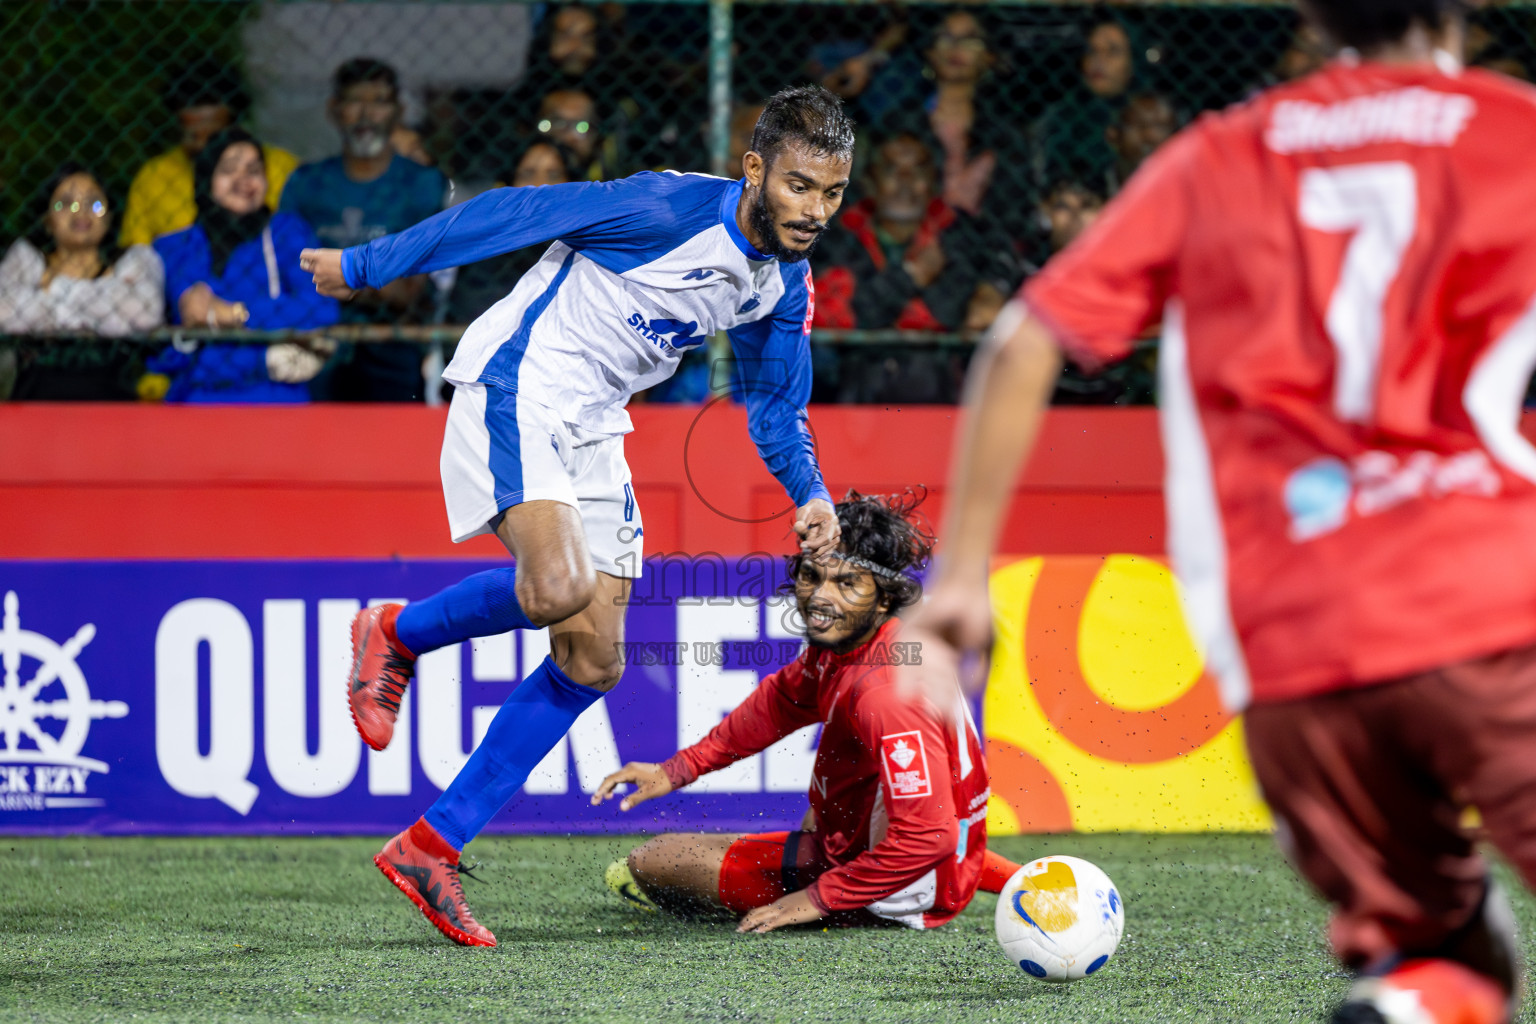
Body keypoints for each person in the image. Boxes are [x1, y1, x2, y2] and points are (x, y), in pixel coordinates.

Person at [906, 0, 1536, 1019]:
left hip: (1298, 648)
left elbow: (1025, 340)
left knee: (1442, 949)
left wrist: (963, 576)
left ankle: (1415, 1001)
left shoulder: (1223, 153)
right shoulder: (1514, 129)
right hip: (1495, 605)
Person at [301, 86, 853, 947]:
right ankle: (397, 632)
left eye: (831, 192)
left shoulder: (782, 282)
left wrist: (810, 493)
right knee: (558, 588)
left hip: (595, 424)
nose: (815, 210)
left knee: (593, 659)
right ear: (754, 170)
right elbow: (508, 213)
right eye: (799, 186)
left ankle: (430, 846)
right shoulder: (664, 207)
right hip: (521, 384)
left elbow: (776, 407)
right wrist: (368, 265)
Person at [592, 491, 1022, 931]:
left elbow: (928, 836)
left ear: (884, 599)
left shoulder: (885, 692)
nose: (820, 597)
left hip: (900, 888)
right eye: (811, 576)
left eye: (846, 583)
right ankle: (1017, 879)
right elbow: (779, 704)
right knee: (828, 806)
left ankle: (854, 892)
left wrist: (817, 898)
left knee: (653, 862)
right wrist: (677, 769)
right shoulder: (861, 644)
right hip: (928, 854)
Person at [280, 59, 448, 402]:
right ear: (334, 110)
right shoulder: (307, 183)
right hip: (315, 335)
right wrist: (374, 279)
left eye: (379, 101)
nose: (366, 114)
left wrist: (335, 277)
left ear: (398, 111)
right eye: (355, 101)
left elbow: (407, 290)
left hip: (393, 339)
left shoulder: (422, 183)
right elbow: (286, 269)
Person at [148, 129, 339, 403]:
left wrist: (235, 313)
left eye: (254, 170)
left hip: (274, 403)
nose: (244, 180)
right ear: (206, 179)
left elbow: (321, 309)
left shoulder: (288, 234)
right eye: (229, 170)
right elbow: (168, 347)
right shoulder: (176, 249)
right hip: (195, 401)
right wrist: (263, 356)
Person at [814, 132, 1020, 333]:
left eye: (918, 170)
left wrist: (993, 289)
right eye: (891, 169)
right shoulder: (836, 235)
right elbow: (836, 318)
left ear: (934, 182)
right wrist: (911, 276)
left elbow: (955, 312)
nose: (906, 180)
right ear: (869, 182)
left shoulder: (962, 232)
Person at [0, 164, 163, 400]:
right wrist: (105, 303)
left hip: (116, 402)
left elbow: (145, 314)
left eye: (94, 203)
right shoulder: (26, 258)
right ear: (47, 220)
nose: (80, 211)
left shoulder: (135, 259)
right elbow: (4, 312)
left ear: (109, 216)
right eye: (65, 204)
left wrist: (51, 292)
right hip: (33, 401)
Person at [876, 11, 1031, 237]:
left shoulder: (1004, 134)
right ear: (930, 52)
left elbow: (1013, 212)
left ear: (989, 56)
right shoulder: (899, 122)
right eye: (945, 38)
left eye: (970, 40)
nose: (956, 47)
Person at [120, 60, 299, 248]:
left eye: (215, 137)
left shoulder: (281, 168)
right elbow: (135, 251)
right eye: (193, 135)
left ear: (235, 126)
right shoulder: (154, 177)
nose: (205, 147)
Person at [446, 139, 585, 324]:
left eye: (553, 175)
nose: (540, 185)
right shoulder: (487, 250)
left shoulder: (586, 247)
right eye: (528, 174)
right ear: (509, 184)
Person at [1033, 17, 1139, 194]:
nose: (1099, 60)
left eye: (1112, 51)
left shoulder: (1150, 115)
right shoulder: (1060, 117)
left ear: (1133, 61)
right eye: (1092, 51)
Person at [1102, 93, 1176, 196]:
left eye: (1163, 127)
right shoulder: (1095, 192)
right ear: (1113, 135)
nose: (1153, 136)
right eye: (1141, 125)